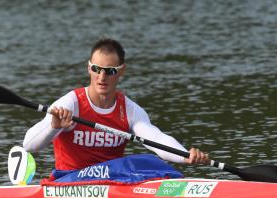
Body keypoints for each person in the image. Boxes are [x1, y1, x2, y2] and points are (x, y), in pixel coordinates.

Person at [23, 38, 209, 172]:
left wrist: (185, 156)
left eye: (110, 71)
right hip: (69, 181)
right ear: (89, 68)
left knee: (150, 162)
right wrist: (54, 127)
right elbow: (29, 145)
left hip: (113, 181)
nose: (102, 77)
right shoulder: (70, 103)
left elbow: (156, 140)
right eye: (96, 69)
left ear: (122, 71)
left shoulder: (129, 110)